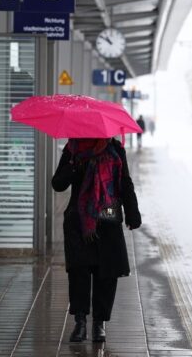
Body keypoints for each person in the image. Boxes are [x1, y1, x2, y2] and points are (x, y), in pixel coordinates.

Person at [52, 138, 142, 343]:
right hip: (79, 222)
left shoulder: (115, 149)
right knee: (79, 272)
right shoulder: (73, 149)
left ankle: (99, 323)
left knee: (106, 274)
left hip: (108, 218)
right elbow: (57, 183)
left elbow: (124, 182)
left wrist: (132, 212)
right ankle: (80, 322)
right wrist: (74, 166)